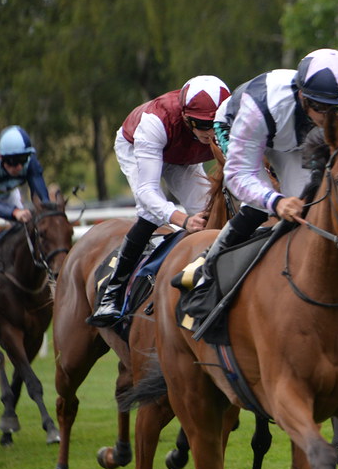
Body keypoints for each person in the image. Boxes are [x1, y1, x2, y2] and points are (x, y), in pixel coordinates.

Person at [88, 75, 232, 326]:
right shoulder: (155, 122)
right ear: (187, 118)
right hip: (138, 146)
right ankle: (114, 290)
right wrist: (182, 220)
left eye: (215, 125)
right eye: (201, 125)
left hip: (183, 158)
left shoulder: (230, 120)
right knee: (151, 211)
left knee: (209, 216)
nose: (210, 134)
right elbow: (147, 192)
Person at [200, 49, 338, 267]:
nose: (330, 119)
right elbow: (239, 175)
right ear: (302, 96)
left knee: (307, 204)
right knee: (260, 204)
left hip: (291, 140)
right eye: (322, 107)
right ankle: (207, 265)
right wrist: (276, 201)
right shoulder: (260, 107)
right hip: (239, 127)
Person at [0, 125, 52, 224]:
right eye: (13, 161)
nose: (19, 167)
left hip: (8, 194)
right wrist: (14, 211)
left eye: (23, 159)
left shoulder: (31, 161)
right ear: (0, 156)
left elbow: (42, 199)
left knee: (25, 224)